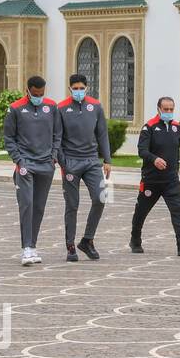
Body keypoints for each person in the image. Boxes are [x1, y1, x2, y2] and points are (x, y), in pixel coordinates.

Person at [55, 74, 112, 262]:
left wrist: (107, 159)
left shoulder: (95, 106)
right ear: (70, 88)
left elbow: (102, 133)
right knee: (72, 205)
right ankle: (70, 246)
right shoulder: (61, 108)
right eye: (75, 88)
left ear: (87, 88)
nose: (78, 91)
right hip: (71, 162)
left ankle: (87, 240)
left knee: (101, 197)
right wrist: (64, 163)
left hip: (92, 161)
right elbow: (57, 138)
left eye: (81, 88)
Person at [129, 97, 180, 256]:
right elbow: (142, 150)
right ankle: (135, 239)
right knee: (141, 211)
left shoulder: (176, 127)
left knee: (177, 211)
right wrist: (155, 159)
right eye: (165, 109)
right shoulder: (149, 127)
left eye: (171, 109)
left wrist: (176, 172)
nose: (168, 112)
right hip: (151, 180)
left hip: (171, 180)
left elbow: (175, 151)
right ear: (158, 109)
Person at [3, 75, 57, 266]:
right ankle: (26, 248)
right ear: (28, 91)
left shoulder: (51, 106)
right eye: (35, 94)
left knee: (39, 207)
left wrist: (54, 156)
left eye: (42, 94)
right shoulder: (16, 108)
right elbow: (8, 138)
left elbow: (57, 133)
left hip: (46, 165)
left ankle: (33, 246)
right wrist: (19, 160)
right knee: (27, 205)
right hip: (25, 164)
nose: (39, 97)